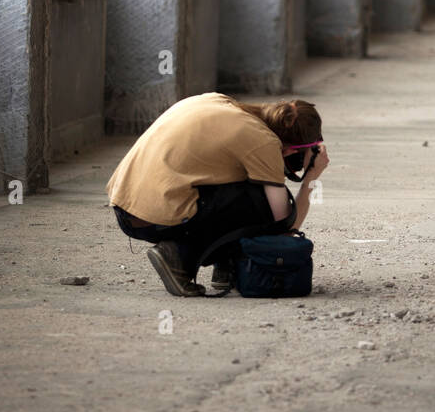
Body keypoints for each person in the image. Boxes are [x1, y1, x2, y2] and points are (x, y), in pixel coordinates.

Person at [107, 92, 328, 296]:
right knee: (261, 202)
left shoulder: (218, 101)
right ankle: (178, 256)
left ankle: (226, 267)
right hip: (150, 220)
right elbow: (284, 230)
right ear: (291, 150)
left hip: (125, 206)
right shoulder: (264, 142)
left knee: (238, 179)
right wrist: (310, 178)